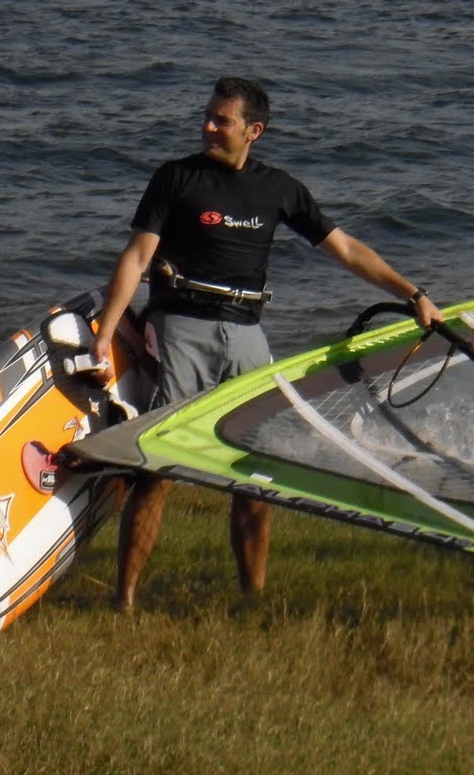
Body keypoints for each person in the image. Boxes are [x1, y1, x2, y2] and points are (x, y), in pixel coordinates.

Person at [87, 75, 443, 610]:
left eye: (221, 120)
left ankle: (252, 600)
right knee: (156, 465)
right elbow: (137, 258)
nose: (208, 126)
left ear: (254, 130)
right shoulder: (177, 178)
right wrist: (107, 334)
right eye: (207, 116)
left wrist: (412, 293)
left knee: (254, 473)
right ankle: (125, 600)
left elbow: (345, 249)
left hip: (248, 337)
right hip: (182, 328)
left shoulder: (277, 189)